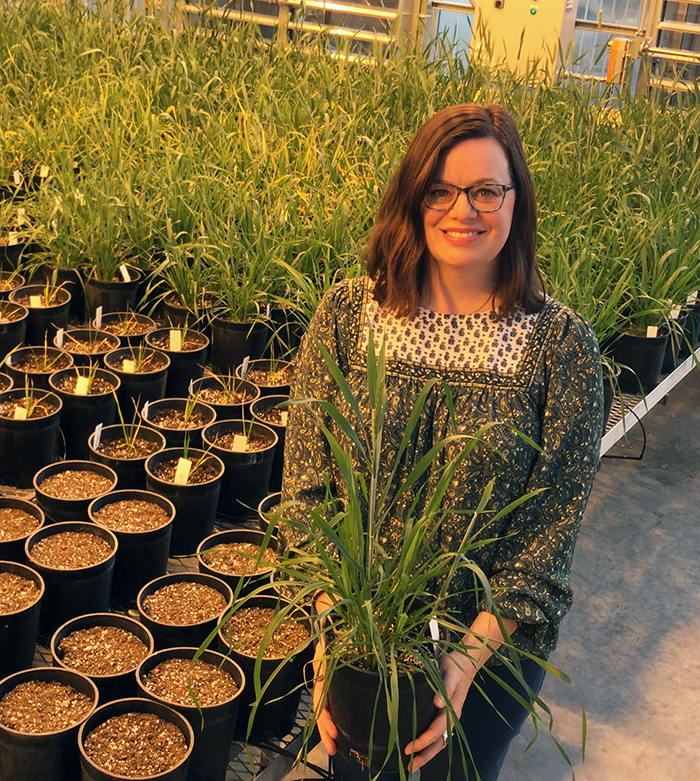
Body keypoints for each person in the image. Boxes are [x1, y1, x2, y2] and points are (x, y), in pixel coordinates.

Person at [281, 103, 604, 780]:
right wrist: (335, 630)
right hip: (361, 646)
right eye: (441, 190)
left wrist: (465, 659)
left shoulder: (560, 346)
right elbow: (305, 497)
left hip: (489, 652)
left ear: (516, 200)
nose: (464, 210)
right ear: (414, 197)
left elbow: (548, 539)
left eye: (486, 190)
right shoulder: (346, 317)